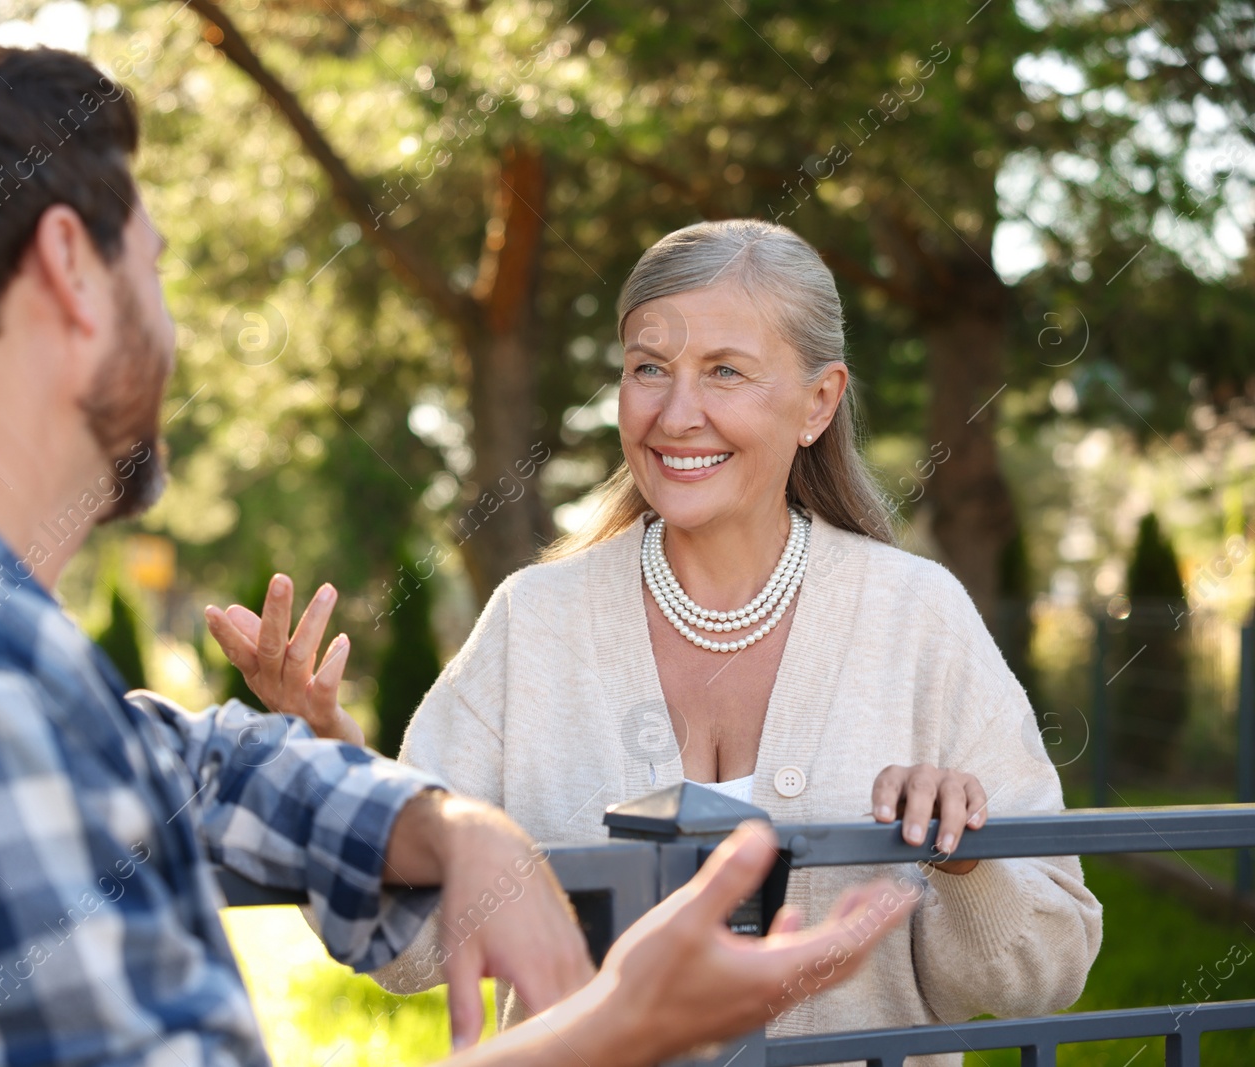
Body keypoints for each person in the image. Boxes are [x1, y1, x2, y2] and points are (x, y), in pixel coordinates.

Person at [0, 44, 914, 1067]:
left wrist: (450, 819)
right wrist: (615, 1027)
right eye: (151, 271)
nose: (174, 330)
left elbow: (182, 760)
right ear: (68, 274)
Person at [209, 219, 1103, 1061]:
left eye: (725, 371)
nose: (676, 414)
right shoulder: (534, 621)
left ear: (818, 402)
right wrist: (332, 756)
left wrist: (962, 846)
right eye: (649, 367)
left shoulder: (919, 615)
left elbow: (1046, 969)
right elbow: (411, 959)